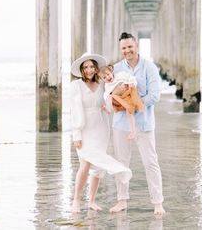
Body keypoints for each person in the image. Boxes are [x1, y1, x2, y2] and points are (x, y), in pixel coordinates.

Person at [109, 32, 166, 216]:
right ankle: (122, 200)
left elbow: (155, 95)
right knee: (121, 163)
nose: (127, 50)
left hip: (144, 123)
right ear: (121, 49)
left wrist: (134, 104)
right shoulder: (116, 68)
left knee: (150, 163)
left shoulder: (149, 67)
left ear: (137, 46)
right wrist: (118, 103)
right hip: (121, 124)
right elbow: (110, 93)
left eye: (130, 47)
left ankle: (158, 202)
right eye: (124, 48)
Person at [70, 52, 132, 213]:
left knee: (98, 168)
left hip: (101, 127)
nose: (89, 70)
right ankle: (76, 200)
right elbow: (74, 111)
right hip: (84, 129)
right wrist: (76, 134)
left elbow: (112, 99)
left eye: (91, 66)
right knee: (84, 164)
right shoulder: (76, 85)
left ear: (96, 69)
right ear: (82, 70)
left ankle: (91, 200)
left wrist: (126, 88)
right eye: (85, 67)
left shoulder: (103, 85)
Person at [98, 65, 145, 140]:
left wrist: (132, 83)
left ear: (111, 72)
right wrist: (109, 99)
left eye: (108, 74)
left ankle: (133, 131)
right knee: (110, 97)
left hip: (129, 92)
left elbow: (130, 77)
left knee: (130, 112)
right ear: (102, 80)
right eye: (104, 77)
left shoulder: (120, 75)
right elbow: (106, 94)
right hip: (122, 99)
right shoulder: (107, 85)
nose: (107, 77)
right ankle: (108, 109)